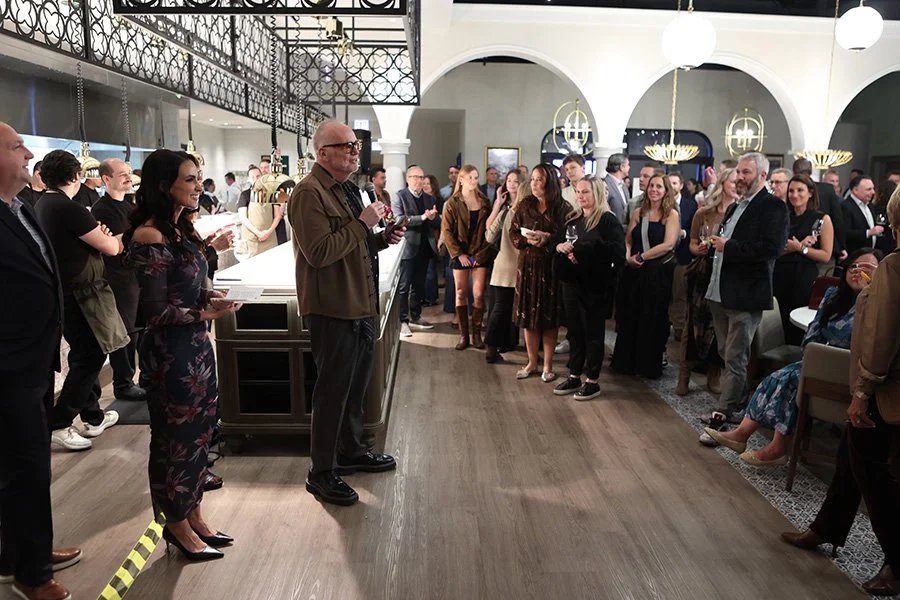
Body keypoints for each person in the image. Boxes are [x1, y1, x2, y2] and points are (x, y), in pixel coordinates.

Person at [781, 188, 900, 596]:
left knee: (872, 467)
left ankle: (896, 561)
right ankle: (826, 528)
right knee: (853, 453)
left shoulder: (894, 267)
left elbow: (879, 336)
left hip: (888, 389)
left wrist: (861, 392)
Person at [125, 149, 237, 560]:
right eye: (189, 180)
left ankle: (194, 515)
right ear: (162, 185)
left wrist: (210, 295)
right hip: (170, 357)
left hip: (195, 348)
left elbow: (187, 284)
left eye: (197, 178)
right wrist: (205, 311)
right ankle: (175, 523)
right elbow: (153, 312)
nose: (197, 187)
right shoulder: (149, 235)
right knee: (174, 443)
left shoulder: (181, 229)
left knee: (200, 436)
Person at [290, 121, 403, 506]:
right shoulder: (308, 193)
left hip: (359, 302)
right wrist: (362, 224)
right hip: (332, 307)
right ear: (322, 153)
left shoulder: (349, 189)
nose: (355, 151)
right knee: (332, 393)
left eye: (356, 145)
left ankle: (351, 450)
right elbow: (319, 252)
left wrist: (380, 238)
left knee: (355, 387)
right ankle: (321, 472)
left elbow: (354, 244)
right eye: (346, 146)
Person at [704, 249, 880, 465]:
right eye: (854, 266)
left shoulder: (878, 307)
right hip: (819, 361)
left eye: (867, 269)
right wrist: (813, 354)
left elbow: (861, 342)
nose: (857, 272)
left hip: (849, 370)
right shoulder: (833, 296)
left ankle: (774, 447)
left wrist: (868, 295)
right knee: (779, 376)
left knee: (788, 379)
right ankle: (744, 435)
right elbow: (813, 332)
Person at [0, 122, 79, 600]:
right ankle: (32, 573)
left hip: (31, 360)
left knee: (22, 464)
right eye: (15, 146)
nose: (28, 152)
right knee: (26, 466)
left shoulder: (19, 207)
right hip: (9, 365)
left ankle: (20, 552)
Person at [34, 150, 127, 452]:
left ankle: (93, 416)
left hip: (64, 292)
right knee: (91, 355)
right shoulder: (71, 208)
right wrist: (114, 238)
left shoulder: (42, 204)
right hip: (82, 294)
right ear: (75, 176)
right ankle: (59, 422)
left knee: (81, 355)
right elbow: (111, 247)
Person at [704, 152, 789, 423]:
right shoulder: (734, 206)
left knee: (735, 356)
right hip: (720, 290)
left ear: (762, 176)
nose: (739, 177)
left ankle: (724, 411)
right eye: (738, 172)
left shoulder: (772, 207)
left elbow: (771, 249)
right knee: (724, 352)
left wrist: (728, 246)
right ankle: (738, 402)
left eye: (746, 172)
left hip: (745, 293)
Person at [552, 176, 625, 400]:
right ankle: (574, 375)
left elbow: (617, 254)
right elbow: (559, 242)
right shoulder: (573, 220)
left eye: (586, 192)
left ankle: (592, 380)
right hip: (571, 283)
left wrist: (584, 251)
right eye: (579, 192)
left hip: (595, 286)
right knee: (574, 332)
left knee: (593, 333)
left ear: (597, 194)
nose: (581, 196)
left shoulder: (607, 220)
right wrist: (561, 247)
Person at [675, 168, 737, 396]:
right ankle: (684, 375)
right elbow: (691, 242)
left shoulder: (741, 212)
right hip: (704, 271)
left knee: (719, 328)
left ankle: (714, 374)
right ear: (723, 184)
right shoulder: (704, 213)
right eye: (733, 181)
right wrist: (698, 248)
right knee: (694, 326)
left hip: (727, 274)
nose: (738, 185)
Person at [611, 172, 679, 379]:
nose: (654, 190)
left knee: (652, 317)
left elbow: (668, 244)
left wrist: (643, 257)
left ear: (666, 191)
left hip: (656, 273)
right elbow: (628, 239)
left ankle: (647, 365)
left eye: (659, 186)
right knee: (631, 316)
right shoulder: (639, 212)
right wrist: (628, 256)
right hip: (634, 272)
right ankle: (626, 363)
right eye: (651, 186)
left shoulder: (671, 215)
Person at [90, 158, 146, 401]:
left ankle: (142, 377)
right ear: (106, 179)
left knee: (140, 328)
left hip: (136, 274)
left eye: (128, 172)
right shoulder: (102, 209)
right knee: (125, 330)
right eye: (121, 173)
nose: (127, 177)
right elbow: (118, 245)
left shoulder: (131, 206)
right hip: (118, 277)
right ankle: (123, 383)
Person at [509, 163, 568, 381]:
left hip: (552, 266)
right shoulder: (525, 204)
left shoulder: (563, 208)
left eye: (539, 179)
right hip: (528, 265)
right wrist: (527, 239)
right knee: (529, 317)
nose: (534, 184)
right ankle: (532, 362)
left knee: (550, 318)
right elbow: (513, 232)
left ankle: (548, 366)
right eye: (532, 179)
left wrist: (549, 238)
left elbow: (570, 237)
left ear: (550, 181)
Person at [772, 175, 835, 345]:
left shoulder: (822, 219)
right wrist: (796, 246)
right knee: (778, 321)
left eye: (800, 190)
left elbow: (825, 255)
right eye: (791, 191)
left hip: (804, 276)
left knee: (796, 324)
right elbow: (773, 249)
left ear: (810, 193)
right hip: (779, 274)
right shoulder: (782, 216)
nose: (794, 195)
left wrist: (800, 248)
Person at [441, 164, 496, 350]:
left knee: (479, 294)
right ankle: (464, 336)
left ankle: (477, 334)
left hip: (480, 253)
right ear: (461, 179)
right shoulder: (452, 203)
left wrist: (480, 254)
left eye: (475, 177)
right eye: (470, 177)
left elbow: (490, 232)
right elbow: (446, 232)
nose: (473, 181)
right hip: (460, 253)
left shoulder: (484, 201)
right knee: (461, 293)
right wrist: (459, 254)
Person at [484, 171, 525, 363]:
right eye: (509, 180)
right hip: (511, 265)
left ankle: (500, 344)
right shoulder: (511, 210)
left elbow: (489, 236)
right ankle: (492, 347)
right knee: (501, 308)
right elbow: (489, 235)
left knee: (504, 308)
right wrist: (497, 207)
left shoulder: (515, 210)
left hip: (505, 264)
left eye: (516, 181)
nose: (512, 184)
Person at [393, 165, 439, 336]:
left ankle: (416, 316)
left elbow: (435, 222)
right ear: (408, 179)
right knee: (405, 286)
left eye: (421, 177)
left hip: (425, 247)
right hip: (408, 247)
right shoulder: (400, 196)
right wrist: (422, 218)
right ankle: (403, 321)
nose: (418, 180)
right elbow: (399, 220)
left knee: (419, 285)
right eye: (414, 177)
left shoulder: (428, 198)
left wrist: (434, 218)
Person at [793, 158, 846, 265]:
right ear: (811, 171)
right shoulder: (827, 189)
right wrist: (842, 247)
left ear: (794, 172)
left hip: (800, 244)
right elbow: (838, 219)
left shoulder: (791, 190)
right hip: (820, 245)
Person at [668, 171, 698, 342]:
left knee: (680, 292)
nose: (671, 186)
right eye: (669, 183)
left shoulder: (690, 205)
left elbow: (694, 229)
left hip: (682, 254)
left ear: (680, 185)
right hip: (664, 255)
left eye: (674, 183)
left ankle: (679, 326)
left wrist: (683, 233)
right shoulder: (663, 205)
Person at [237, 165, 282, 257]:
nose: (255, 179)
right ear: (249, 179)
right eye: (252, 177)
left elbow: (278, 215)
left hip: (270, 237)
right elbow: (243, 217)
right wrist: (258, 233)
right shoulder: (245, 194)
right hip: (252, 240)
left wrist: (268, 232)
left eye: (258, 176)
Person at [842, 175, 886, 254]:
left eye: (873, 188)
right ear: (855, 190)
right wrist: (868, 232)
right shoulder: (845, 206)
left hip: (871, 253)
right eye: (869, 189)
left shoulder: (870, 205)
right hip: (854, 255)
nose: (873, 192)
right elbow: (845, 233)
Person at [421, 173, 444, 305]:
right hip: (423, 237)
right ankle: (424, 297)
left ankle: (431, 297)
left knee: (431, 269)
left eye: (428, 183)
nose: (425, 186)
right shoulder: (421, 199)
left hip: (434, 237)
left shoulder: (438, 200)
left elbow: (441, 222)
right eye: (423, 183)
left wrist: (432, 218)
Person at [603, 153, 630, 225]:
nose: (629, 168)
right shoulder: (604, 184)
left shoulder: (624, 186)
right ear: (622, 167)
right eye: (628, 165)